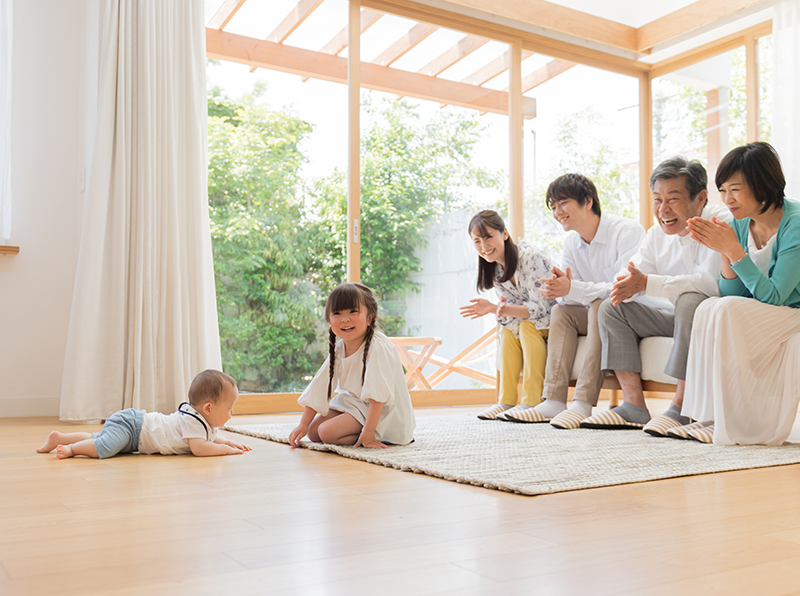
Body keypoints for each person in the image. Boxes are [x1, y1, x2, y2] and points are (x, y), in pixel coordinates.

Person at [581, 156, 731, 431]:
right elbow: (631, 273)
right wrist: (626, 284)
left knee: (690, 300)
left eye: (672, 199)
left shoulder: (720, 222)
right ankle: (634, 405)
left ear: (701, 198)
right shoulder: (655, 235)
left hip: (711, 317)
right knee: (611, 307)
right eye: (657, 199)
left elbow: (709, 284)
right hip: (675, 317)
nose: (663, 209)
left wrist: (647, 283)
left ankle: (683, 406)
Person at [675, 142, 800, 445]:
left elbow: (775, 296)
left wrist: (734, 250)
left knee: (726, 309)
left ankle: (734, 423)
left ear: (762, 184)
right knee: (710, 307)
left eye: (735, 189)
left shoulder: (795, 223)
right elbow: (731, 290)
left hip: (792, 312)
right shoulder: (741, 223)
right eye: (723, 191)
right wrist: (723, 251)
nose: (727, 199)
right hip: (766, 312)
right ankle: (710, 416)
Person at [526, 174, 645, 429]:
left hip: (631, 313)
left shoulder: (627, 231)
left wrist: (574, 288)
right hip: (596, 312)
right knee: (562, 311)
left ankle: (583, 401)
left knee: (601, 306)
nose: (557, 212)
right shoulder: (571, 242)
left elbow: (623, 289)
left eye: (563, 204)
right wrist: (561, 288)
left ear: (588, 201)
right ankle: (555, 399)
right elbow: (572, 295)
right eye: (553, 207)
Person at [289, 282, 415, 448]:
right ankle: (359, 431)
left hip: (384, 412)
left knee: (326, 432)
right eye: (337, 313)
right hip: (356, 404)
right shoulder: (341, 347)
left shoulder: (378, 346)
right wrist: (303, 423)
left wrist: (368, 433)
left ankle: (368, 436)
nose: (345, 319)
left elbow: (378, 397)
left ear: (370, 318)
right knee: (313, 432)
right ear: (329, 320)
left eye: (353, 312)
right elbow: (321, 386)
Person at [459, 210, 555, 422]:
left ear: (504, 234)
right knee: (510, 328)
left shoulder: (530, 257)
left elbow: (539, 307)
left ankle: (532, 402)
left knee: (525, 326)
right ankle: (507, 401)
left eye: (488, 237)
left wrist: (496, 309)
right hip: (530, 320)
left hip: (557, 316)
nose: (483, 246)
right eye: (477, 241)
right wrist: (500, 311)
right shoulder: (495, 270)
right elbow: (509, 312)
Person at [37, 369, 250, 459]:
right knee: (105, 447)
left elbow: (210, 438)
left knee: (99, 438)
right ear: (208, 409)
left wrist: (229, 441)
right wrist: (226, 451)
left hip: (136, 436)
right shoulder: (193, 420)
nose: (232, 413)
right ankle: (72, 449)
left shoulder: (203, 423)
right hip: (133, 426)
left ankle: (60, 438)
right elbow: (200, 448)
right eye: (229, 408)